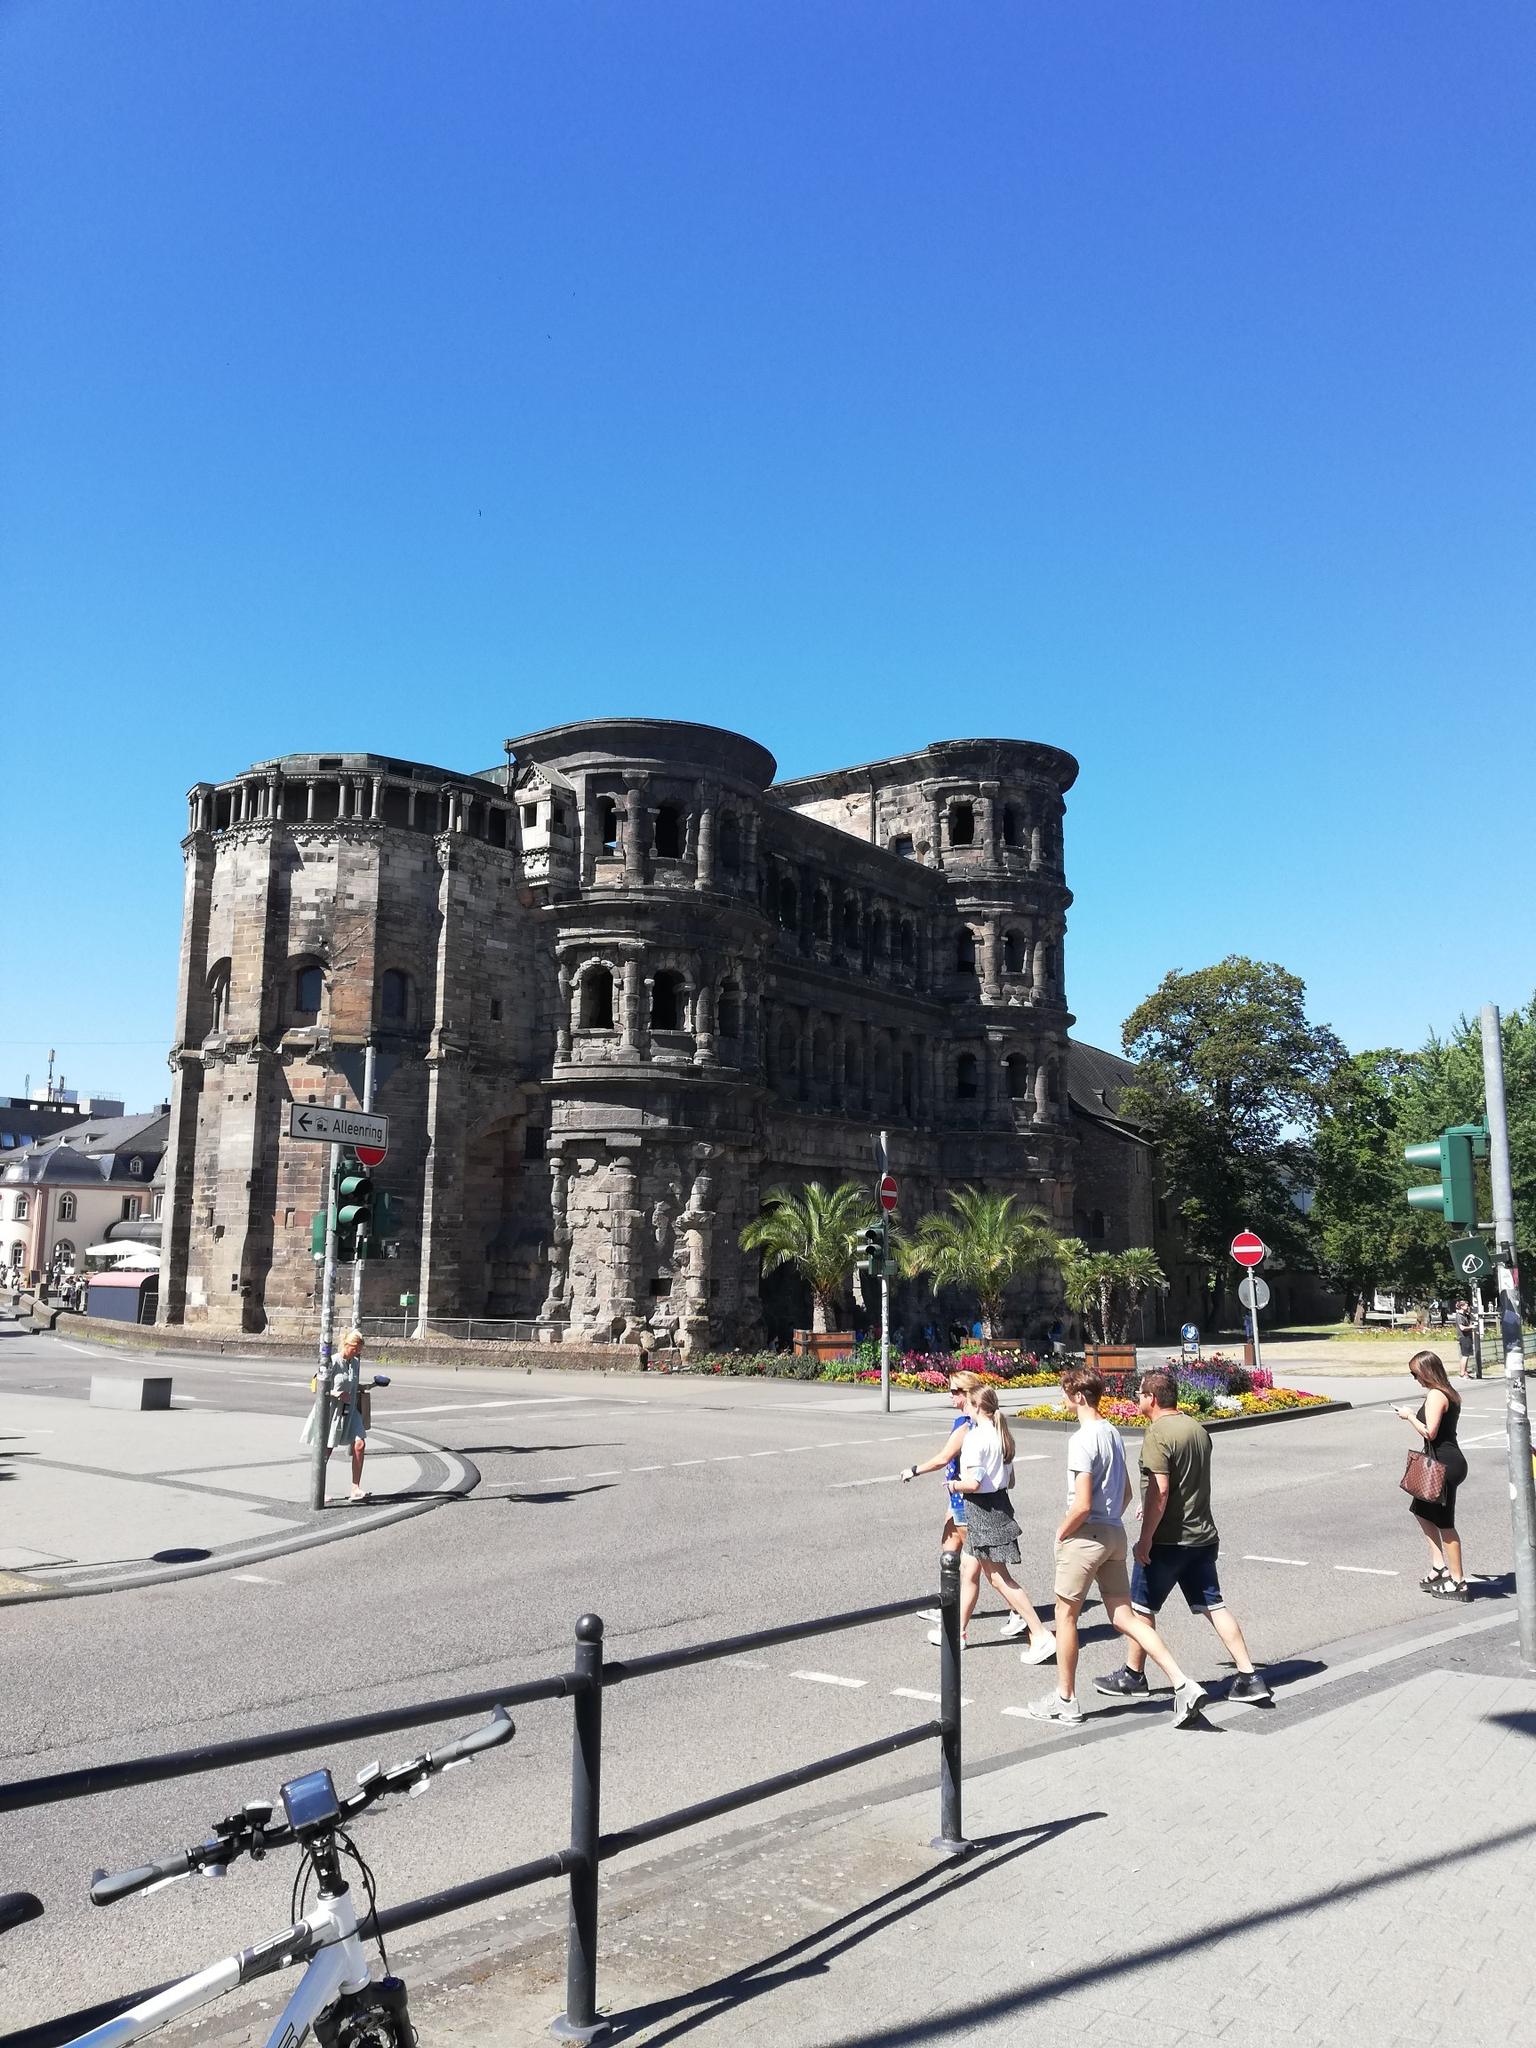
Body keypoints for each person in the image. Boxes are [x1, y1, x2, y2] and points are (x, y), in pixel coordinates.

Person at [1025, 1367, 1208, 1727]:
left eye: (1065, 1394)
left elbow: (1081, 1503)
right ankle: (1182, 1682)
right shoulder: (1111, 1432)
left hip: (1085, 1536)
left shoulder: (1081, 1439)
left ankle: (1066, 1699)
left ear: (1079, 1396)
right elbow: (1125, 1493)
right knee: (1124, 1616)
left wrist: (1062, 1531)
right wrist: (1108, 1518)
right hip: (1114, 1533)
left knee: (1065, 1617)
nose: (1063, 1400)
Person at [1094, 1372, 1271, 1704]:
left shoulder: (1157, 1433)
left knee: (1141, 1608)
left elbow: (1160, 1490)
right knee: (1214, 1605)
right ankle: (1249, 1676)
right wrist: (1147, 1504)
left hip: (1168, 1540)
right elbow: (1183, 1483)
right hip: (1202, 1536)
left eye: (1140, 1394)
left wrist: (1146, 1539)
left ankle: (1133, 1675)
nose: (1137, 1399)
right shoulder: (1196, 1429)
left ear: (1152, 1398)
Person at [902, 1371, 1050, 1655]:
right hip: (992, 1504)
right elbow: (1010, 1479)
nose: (952, 1396)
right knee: (971, 1570)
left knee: (997, 1577)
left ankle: (1038, 1630)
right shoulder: (999, 1433)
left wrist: (953, 1485)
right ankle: (958, 1631)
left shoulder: (973, 1435)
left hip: (981, 1508)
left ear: (973, 1400)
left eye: (957, 1392)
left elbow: (972, 1481)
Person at [1397, 1350, 1470, 1600]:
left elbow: (1430, 1432)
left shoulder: (1437, 1395)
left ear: (1426, 1372)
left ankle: (1458, 1582)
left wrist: (1409, 1416)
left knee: (1445, 1523)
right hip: (1445, 1461)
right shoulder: (1448, 1392)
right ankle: (1439, 1566)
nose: (1415, 1378)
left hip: (1443, 1465)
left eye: (1415, 1374)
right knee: (1421, 1510)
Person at [302, 1328, 383, 1502]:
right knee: (326, 1450)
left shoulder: (355, 1363)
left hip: (350, 1410)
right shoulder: (331, 1361)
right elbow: (315, 1387)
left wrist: (372, 1385)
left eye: (360, 1349)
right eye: (355, 1348)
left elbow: (353, 1385)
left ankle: (355, 1488)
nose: (358, 1352)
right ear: (346, 1344)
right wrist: (335, 1393)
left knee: (360, 1444)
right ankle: (318, 1490)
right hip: (331, 1411)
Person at [1455, 1299, 1480, 1381]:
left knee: (1467, 1355)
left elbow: (1472, 1319)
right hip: (1463, 1337)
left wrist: (1469, 1313)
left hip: (1468, 1337)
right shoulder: (1459, 1316)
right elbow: (1462, 1328)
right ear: (1461, 1306)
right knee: (1465, 1356)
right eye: (1466, 1305)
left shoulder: (1465, 1315)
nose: (1467, 1306)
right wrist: (1471, 1327)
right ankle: (1462, 1373)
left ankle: (1465, 1372)